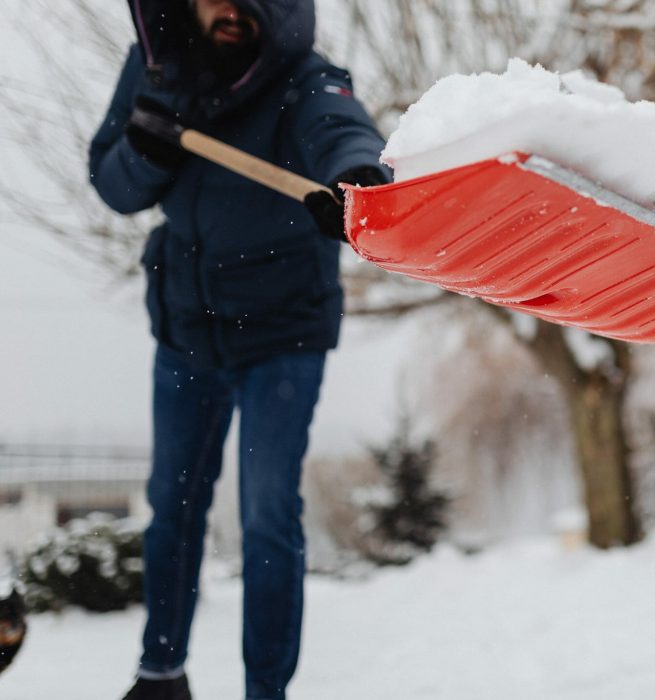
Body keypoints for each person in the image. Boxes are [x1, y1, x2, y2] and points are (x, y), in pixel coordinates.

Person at [88, 1, 389, 698]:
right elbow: (112, 184)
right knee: (174, 505)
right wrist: (143, 152)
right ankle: (161, 673)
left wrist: (358, 181)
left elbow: (341, 129)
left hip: (282, 333)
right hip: (187, 327)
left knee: (266, 514)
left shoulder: (305, 77)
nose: (227, 9)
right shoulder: (156, 69)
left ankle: (265, 691)